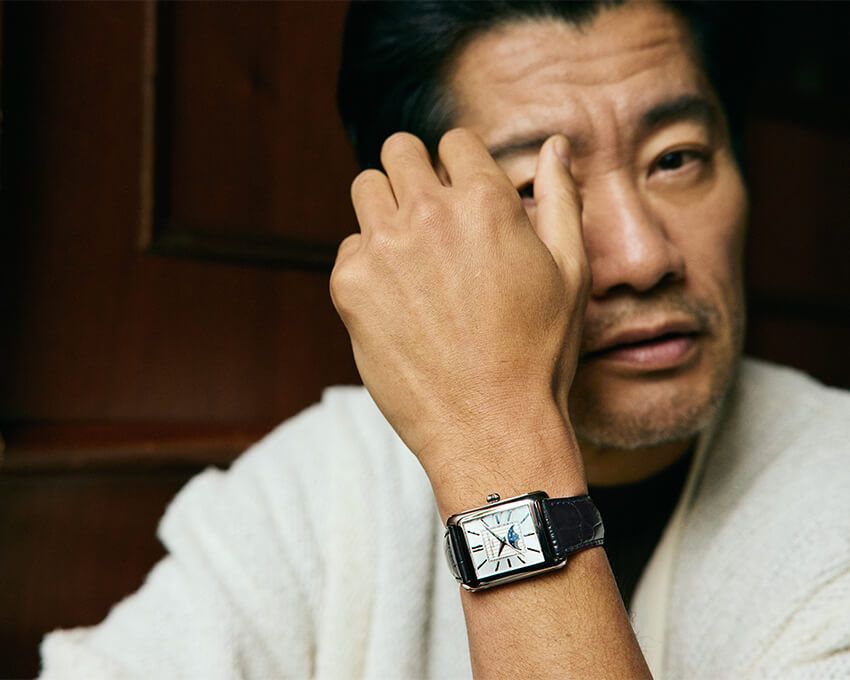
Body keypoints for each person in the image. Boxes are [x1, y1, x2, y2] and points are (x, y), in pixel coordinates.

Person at [40, 1, 850, 678]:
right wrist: (494, 423)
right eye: (534, 187)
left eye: (675, 159)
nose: (643, 258)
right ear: (418, 239)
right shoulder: (330, 482)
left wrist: (497, 447)